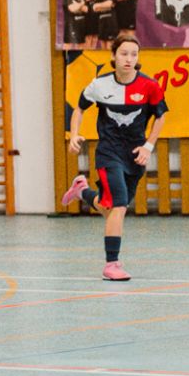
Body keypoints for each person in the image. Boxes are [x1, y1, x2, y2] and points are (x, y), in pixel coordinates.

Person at [61, 31, 167, 281]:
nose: (129, 59)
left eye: (134, 54)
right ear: (114, 56)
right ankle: (112, 264)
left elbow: (161, 116)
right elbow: (79, 109)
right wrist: (74, 134)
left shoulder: (149, 86)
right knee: (118, 205)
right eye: (124, 54)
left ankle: (83, 192)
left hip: (135, 155)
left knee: (112, 208)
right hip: (108, 153)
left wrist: (148, 146)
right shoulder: (100, 85)